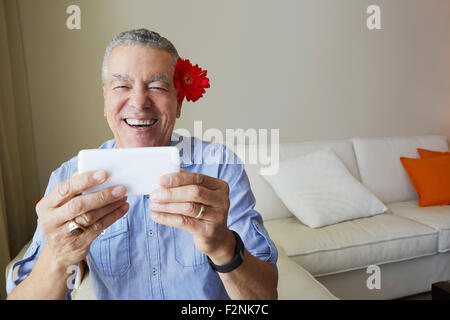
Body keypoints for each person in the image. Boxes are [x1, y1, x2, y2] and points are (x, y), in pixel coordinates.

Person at [6, 29, 278, 300]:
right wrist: (57, 257)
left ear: (178, 103)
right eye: (122, 86)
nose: (138, 102)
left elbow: (266, 297)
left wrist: (222, 246)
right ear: (105, 100)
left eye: (158, 87)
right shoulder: (70, 179)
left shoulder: (219, 167)